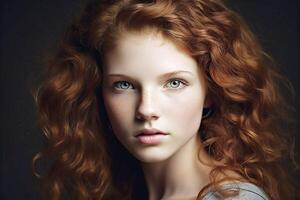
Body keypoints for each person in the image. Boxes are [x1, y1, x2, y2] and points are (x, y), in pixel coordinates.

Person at [33, 0, 298, 199]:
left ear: (211, 92)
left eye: (174, 83)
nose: (146, 109)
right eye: (124, 85)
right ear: (98, 92)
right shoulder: (126, 189)